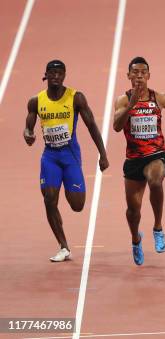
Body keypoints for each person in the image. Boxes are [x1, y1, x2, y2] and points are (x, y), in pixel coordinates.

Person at [113, 57, 165, 265]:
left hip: (156, 153)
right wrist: (131, 105)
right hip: (134, 158)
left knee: (156, 181)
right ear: (129, 76)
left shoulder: (158, 98)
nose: (139, 76)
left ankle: (158, 227)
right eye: (135, 72)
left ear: (148, 76)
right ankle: (135, 239)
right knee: (133, 211)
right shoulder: (122, 100)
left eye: (143, 72)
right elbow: (116, 126)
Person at [24, 60, 109, 262]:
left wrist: (102, 154)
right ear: (46, 74)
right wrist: (28, 134)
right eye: (52, 73)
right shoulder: (36, 101)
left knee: (77, 205)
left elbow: (91, 126)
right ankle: (63, 246)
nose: (55, 76)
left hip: (70, 156)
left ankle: (64, 242)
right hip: (50, 156)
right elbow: (28, 127)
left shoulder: (75, 98)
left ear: (64, 75)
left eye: (59, 73)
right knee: (49, 199)